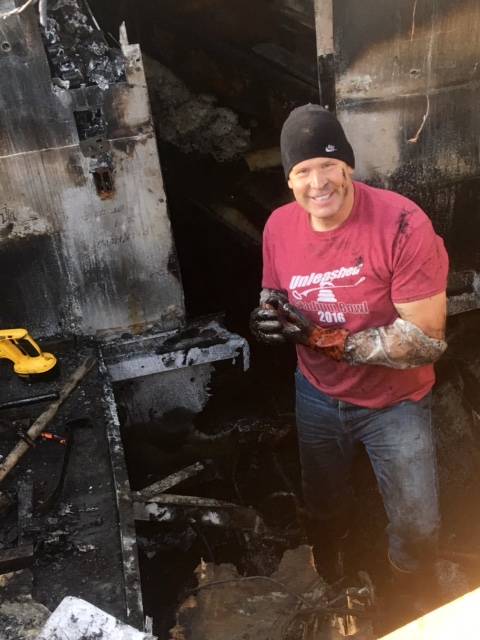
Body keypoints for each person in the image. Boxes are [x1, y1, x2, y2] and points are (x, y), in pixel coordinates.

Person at [250, 104, 449, 600]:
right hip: (317, 394)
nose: (317, 183)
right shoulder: (278, 226)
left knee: (419, 526)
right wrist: (267, 317)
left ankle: (410, 594)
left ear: (348, 167)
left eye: (328, 166)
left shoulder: (403, 223)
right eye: (303, 171)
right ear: (289, 180)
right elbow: (275, 293)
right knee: (323, 501)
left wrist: (327, 340)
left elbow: (425, 338)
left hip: (396, 402)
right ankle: (332, 567)